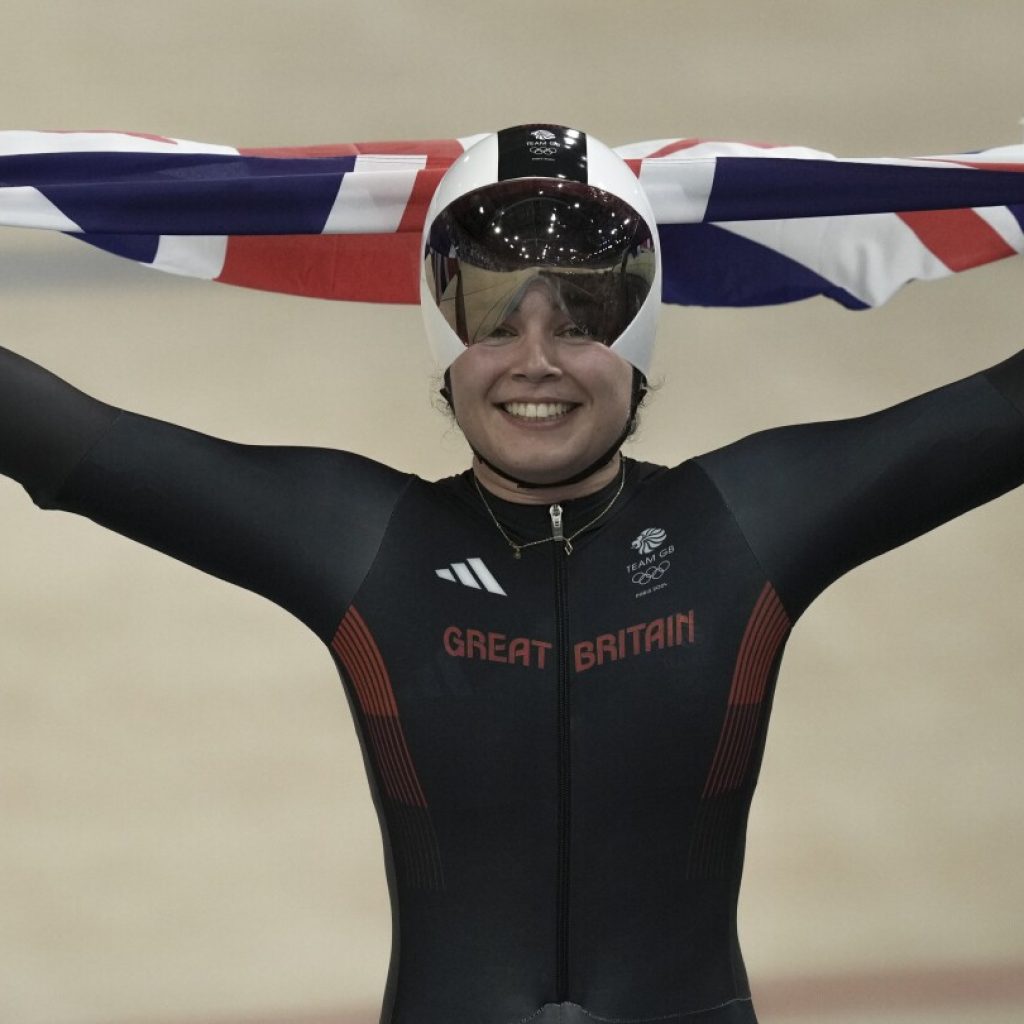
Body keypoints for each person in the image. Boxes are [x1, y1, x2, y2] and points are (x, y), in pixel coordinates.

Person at [1, 123, 1023, 1024]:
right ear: (445, 343)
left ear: (640, 338)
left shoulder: (743, 524)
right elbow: (71, 445)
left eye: (578, 319)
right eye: (494, 319)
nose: (534, 359)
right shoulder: (359, 537)